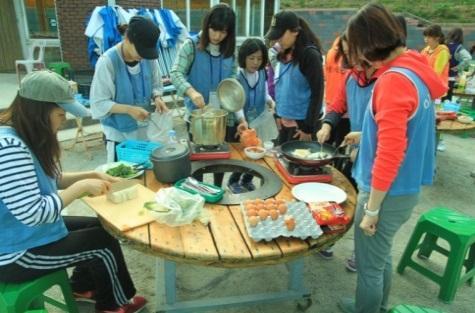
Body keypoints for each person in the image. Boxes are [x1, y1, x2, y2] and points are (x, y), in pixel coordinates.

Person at [0, 70, 147, 313]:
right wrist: (81, 188)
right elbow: (34, 214)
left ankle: (81, 287)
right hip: (16, 253)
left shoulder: (23, 134)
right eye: (60, 114)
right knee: (102, 243)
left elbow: (53, 179)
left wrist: (92, 175)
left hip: (29, 234)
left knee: (101, 227)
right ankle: (113, 306)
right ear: (39, 111)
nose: (63, 120)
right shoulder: (9, 147)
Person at [337, 4, 447, 313]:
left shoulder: (393, 81)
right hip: (404, 189)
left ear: (367, 43)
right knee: (380, 255)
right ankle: (379, 307)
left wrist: (371, 209)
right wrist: (364, 134)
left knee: (369, 266)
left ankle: (366, 308)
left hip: (386, 192)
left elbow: (391, 152)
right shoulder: (414, 68)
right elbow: (403, 128)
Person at [90, 15, 168, 163]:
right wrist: (129, 109)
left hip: (145, 132)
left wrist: (157, 97)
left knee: (145, 175)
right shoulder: (108, 62)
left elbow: (156, 85)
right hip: (119, 136)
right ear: (127, 39)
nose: (143, 57)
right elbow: (98, 103)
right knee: (122, 178)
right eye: (140, 51)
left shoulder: (148, 59)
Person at [170, 3, 246, 138]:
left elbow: (233, 83)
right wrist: (191, 92)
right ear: (207, 25)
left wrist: (241, 118)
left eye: (223, 32)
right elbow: (175, 73)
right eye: (214, 30)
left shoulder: (231, 50)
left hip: (224, 119)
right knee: (199, 156)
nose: (217, 36)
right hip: (198, 118)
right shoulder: (191, 45)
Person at [265, 10, 324, 144]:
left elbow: (318, 93)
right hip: (285, 123)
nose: (277, 40)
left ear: (295, 31)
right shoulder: (283, 52)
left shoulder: (310, 55)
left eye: (280, 35)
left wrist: (308, 128)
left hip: (302, 126)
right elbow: (281, 86)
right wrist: (278, 114)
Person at [227, 38, 277, 193]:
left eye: (259, 58)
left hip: (258, 120)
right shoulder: (238, 75)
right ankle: (233, 181)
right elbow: (236, 103)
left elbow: (265, 91)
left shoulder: (262, 72)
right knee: (243, 154)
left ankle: (247, 180)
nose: (256, 62)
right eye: (251, 58)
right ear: (244, 58)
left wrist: (269, 100)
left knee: (256, 152)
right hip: (242, 122)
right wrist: (242, 120)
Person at [444, 27, 472, 101]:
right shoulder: (458, 48)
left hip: (440, 76)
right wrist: (457, 68)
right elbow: (468, 58)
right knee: (447, 100)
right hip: (451, 77)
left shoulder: (443, 45)